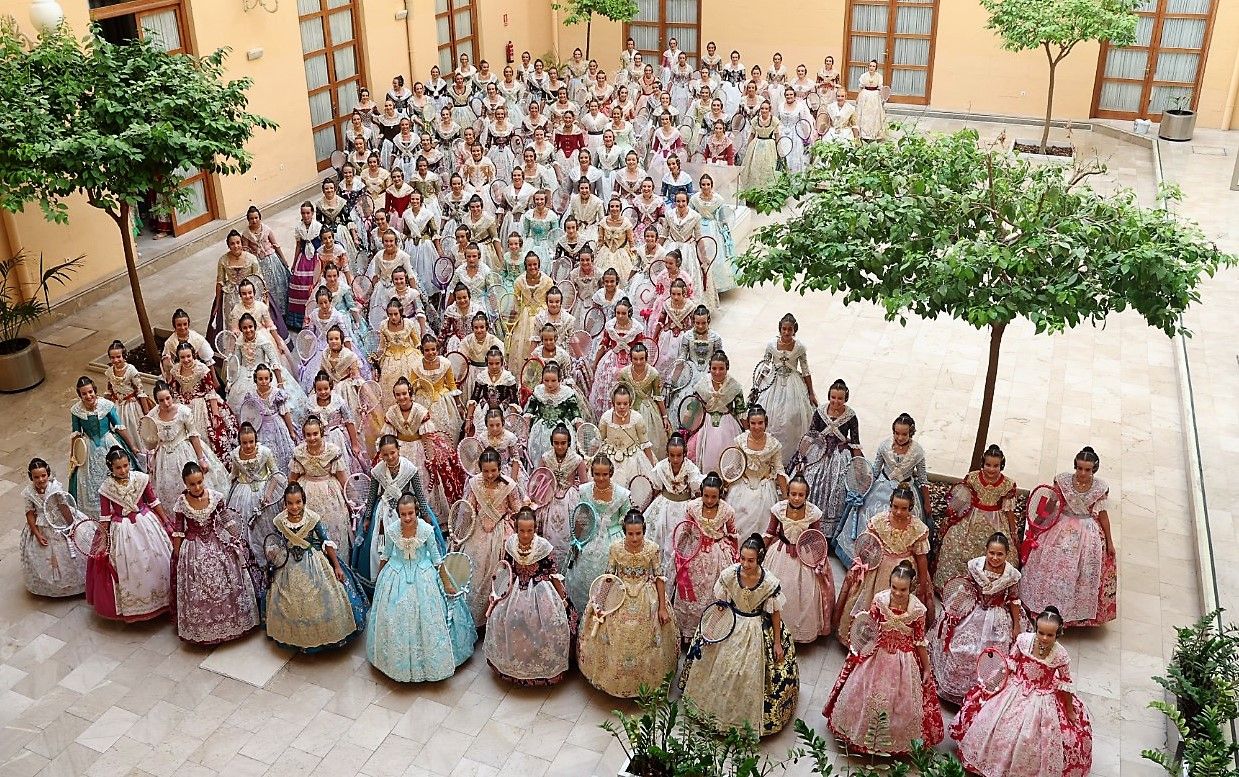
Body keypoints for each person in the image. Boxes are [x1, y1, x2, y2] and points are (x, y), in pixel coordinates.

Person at [680, 533, 799, 736]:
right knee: (720, 666)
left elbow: (775, 614)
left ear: (759, 558)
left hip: (756, 629)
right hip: (730, 621)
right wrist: (711, 629)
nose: (745, 564)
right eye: (742, 559)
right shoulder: (729, 575)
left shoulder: (769, 583)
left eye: (750, 560)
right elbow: (721, 606)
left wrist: (777, 643)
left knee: (745, 672)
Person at [951, 606, 1093, 775]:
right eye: (1041, 633)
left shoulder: (1060, 655)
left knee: (1033, 738)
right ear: (1035, 628)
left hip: (1042, 698)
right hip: (1015, 687)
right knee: (997, 723)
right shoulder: (1024, 641)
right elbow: (1010, 665)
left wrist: (1069, 711)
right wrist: (993, 684)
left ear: (1058, 633)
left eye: (1050, 635)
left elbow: (1065, 685)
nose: (1044, 638)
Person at [824, 561, 943, 755]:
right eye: (894, 587)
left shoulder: (918, 611)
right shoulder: (879, 600)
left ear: (911, 587)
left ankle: (891, 743)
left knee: (901, 704)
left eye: (902, 589)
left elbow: (920, 641)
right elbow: (868, 626)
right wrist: (859, 648)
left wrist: (927, 668)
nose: (897, 593)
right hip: (876, 656)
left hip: (904, 662)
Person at [366, 494, 473, 681]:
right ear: (398, 514)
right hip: (396, 575)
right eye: (403, 514)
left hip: (424, 577)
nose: (407, 518)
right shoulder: (392, 531)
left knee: (428, 619)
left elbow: (437, 560)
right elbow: (386, 555)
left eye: (410, 513)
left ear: (417, 512)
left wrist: (447, 583)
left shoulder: (427, 531)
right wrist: (381, 579)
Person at [578, 510, 679, 698]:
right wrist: (600, 603)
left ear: (644, 531)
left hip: (646, 596)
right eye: (630, 533)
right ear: (624, 532)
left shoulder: (652, 549)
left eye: (638, 533)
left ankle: (646, 683)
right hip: (620, 594)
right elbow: (609, 577)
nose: (634, 538)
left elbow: (659, 578)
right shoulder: (615, 548)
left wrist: (663, 608)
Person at [264, 483, 369, 653]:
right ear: (284, 503)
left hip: (314, 561)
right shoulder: (279, 521)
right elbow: (276, 542)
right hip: (288, 564)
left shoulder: (313, 518)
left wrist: (336, 566)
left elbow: (327, 543)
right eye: (290, 503)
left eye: (298, 502)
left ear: (304, 501)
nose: (294, 507)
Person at [1020, 446, 1117, 627]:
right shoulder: (1062, 481)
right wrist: (1037, 526)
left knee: (1080, 570)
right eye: (1079, 468)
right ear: (1075, 466)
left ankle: (1074, 615)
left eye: (1087, 469)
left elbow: (1103, 514)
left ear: (1094, 469)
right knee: (1051, 566)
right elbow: (1050, 504)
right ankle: (1041, 606)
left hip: (1086, 533)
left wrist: (1110, 541)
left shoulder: (1100, 488)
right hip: (1059, 526)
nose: (1082, 473)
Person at [484, 507, 578, 685]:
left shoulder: (543, 547)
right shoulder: (511, 544)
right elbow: (505, 569)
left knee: (548, 623)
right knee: (507, 619)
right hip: (514, 590)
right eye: (521, 530)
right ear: (516, 528)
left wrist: (563, 598)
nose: (525, 535)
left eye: (529, 530)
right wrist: (496, 592)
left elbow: (553, 573)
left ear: (535, 529)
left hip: (541, 592)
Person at [932, 531, 1028, 704]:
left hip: (997, 616)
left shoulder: (1011, 575)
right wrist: (954, 610)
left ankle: (985, 691)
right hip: (973, 611)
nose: (995, 557)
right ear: (986, 551)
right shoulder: (976, 567)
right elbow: (966, 588)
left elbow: (1014, 600)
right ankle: (957, 690)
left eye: (1000, 554)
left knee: (992, 655)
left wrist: (1016, 626)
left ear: (1007, 554)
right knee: (962, 648)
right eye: (992, 553)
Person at [171, 462, 261, 645]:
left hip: (217, 541)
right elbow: (179, 530)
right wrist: (178, 554)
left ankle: (233, 622)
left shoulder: (216, 498)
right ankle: (204, 629)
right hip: (193, 546)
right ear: (185, 484)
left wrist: (236, 539)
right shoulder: (181, 504)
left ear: (204, 479)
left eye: (199, 482)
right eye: (192, 484)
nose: (196, 487)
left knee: (227, 578)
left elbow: (225, 521)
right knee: (199, 586)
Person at [836, 484, 933, 645]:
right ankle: (864, 639)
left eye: (904, 508)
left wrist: (923, 583)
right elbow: (868, 544)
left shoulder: (917, 528)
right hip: (878, 568)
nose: (899, 512)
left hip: (904, 571)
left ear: (911, 508)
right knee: (870, 601)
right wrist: (861, 564)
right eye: (895, 507)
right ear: (890, 504)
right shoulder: (879, 521)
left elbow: (921, 557)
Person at [89, 446, 174, 622]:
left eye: (126, 465)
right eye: (118, 467)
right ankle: (138, 606)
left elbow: (153, 500)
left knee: (156, 560)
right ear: (110, 468)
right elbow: (105, 516)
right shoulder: (106, 489)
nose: (123, 470)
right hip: (123, 531)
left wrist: (165, 520)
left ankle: (162, 600)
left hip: (147, 525)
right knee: (131, 568)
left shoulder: (141, 479)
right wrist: (104, 541)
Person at [835, 413, 929, 568]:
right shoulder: (884, 446)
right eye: (897, 433)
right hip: (882, 488)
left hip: (905, 491)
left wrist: (927, 502)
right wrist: (863, 488)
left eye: (904, 434)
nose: (900, 437)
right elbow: (875, 470)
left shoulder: (917, 452)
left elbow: (923, 478)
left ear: (911, 433)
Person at [353, 434, 444, 588]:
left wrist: (426, 515)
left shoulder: (410, 469)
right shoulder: (377, 471)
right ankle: (383, 577)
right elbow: (372, 495)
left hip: (406, 510)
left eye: (392, 453)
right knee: (380, 545)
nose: (390, 457)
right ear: (380, 454)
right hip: (384, 513)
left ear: (398, 450)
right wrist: (368, 517)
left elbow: (419, 494)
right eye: (385, 454)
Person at [934, 444, 1019, 593]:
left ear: (1002, 465)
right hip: (970, 520)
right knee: (953, 546)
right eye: (988, 465)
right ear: (982, 464)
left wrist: (1013, 533)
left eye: (996, 466)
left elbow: (1009, 511)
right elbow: (960, 501)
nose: (991, 469)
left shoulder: (1007, 484)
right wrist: (950, 518)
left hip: (996, 521)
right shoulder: (972, 478)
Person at [763, 475, 834, 642]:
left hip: (805, 557)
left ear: (806, 495)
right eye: (793, 494)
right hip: (780, 554)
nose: (796, 498)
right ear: (787, 493)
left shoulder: (813, 513)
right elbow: (770, 531)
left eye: (800, 495)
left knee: (804, 593)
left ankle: (799, 631)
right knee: (780, 589)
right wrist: (759, 547)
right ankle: (775, 628)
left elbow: (818, 538)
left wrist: (819, 560)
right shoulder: (778, 509)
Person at [382, 378, 466, 519]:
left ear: (410, 393)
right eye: (398, 395)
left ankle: (424, 514)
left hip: (418, 448)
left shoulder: (420, 411)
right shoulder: (392, 412)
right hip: (399, 450)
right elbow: (389, 436)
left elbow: (427, 438)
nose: (402, 397)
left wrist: (430, 460)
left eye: (404, 394)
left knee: (423, 481)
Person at [789, 378, 862, 538]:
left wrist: (859, 468)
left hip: (839, 455)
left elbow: (855, 443)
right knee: (811, 477)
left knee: (837, 485)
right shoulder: (820, 412)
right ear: (829, 396)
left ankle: (830, 533)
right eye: (833, 397)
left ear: (845, 399)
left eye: (840, 398)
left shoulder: (851, 416)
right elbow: (810, 436)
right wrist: (801, 458)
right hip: (818, 451)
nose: (836, 401)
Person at [460, 447, 523, 625]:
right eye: (485, 471)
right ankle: (474, 617)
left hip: (501, 530)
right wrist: (462, 532)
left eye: (493, 470)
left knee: (500, 570)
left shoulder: (509, 485)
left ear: (500, 468)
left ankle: (497, 617)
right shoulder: (474, 484)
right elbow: (468, 508)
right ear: (480, 468)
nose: (489, 475)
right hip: (478, 530)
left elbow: (517, 509)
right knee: (475, 567)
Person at [145, 381, 229, 512]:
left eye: (168, 398)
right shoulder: (152, 416)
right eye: (161, 400)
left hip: (184, 450)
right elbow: (151, 440)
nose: (166, 403)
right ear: (157, 401)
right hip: (164, 457)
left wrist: (201, 459)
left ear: (172, 396)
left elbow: (193, 435)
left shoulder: (183, 412)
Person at [564, 455, 632, 608]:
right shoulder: (586, 490)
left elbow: (627, 519)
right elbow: (581, 517)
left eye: (605, 474)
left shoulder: (621, 494)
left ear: (611, 473)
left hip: (614, 539)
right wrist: (576, 541)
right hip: (589, 537)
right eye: (597, 474)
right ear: (592, 473)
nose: (601, 478)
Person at [69, 376, 142, 516]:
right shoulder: (76, 411)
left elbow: (119, 427)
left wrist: (132, 446)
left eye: (90, 392)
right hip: (89, 447)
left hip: (109, 442)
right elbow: (76, 434)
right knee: (89, 482)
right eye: (84, 393)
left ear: (95, 390)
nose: (88, 396)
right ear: (79, 395)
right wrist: (74, 456)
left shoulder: (106, 405)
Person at [753, 313, 817, 466]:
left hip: (793, 385)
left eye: (790, 329)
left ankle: (790, 457)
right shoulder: (770, 345)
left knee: (791, 419)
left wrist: (811, 392)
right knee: (770, 415)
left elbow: (806, 370)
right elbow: (764, 366)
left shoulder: (800, 347)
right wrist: (757, 387)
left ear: (794, 330)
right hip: (773, 382)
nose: (786, 332)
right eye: (784, 329)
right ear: (780, 329)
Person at [22, 458, 91, 597]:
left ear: (48, 474)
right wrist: (36, 533)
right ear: (31, 477)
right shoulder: (28, 493)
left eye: (43, 476)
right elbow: (30, 514)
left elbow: (63, 507)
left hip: (60, 520)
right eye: (36, 477)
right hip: (42, 524)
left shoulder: (55, 488)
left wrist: (72, 526)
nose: (41, 480)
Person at [646, 433, 704, 575]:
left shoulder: (690, 468)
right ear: (667, 454)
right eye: (672, 455)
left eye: (679, 455)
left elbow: (697, 488)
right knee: (660, 537)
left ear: (685, 454)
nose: (675, 459)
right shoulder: (660, 467)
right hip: (664, 507)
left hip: (684, 507)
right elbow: (656, 487)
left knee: (679, 542)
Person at [227, 422, 284, 562]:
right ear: (240, 442)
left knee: (266, 525)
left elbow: (275, 473)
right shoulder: (235, 455)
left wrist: (268, 494)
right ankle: (250, 559)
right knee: (246, 526)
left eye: (251, 442)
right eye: (244, 442)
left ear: (256, 440)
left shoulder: (265, 452)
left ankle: (271, 557)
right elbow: (234, 474)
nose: (248, 446)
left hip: (264, 490)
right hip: (242, 493)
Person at [729, 404, 788, 539]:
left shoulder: (774, 444)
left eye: (760, 423)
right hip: (742, 485)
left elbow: (779, 470)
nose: (757, 427)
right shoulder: (740, 441)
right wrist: (725, 484)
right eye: (753, 423)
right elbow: (734, 466)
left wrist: (785, 497)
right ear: (748, 424)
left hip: (764, 486)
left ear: (765, 422)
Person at [688, 349, 746, 476]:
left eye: (721, 368)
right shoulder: (702, 384)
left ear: (727, 368)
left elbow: (741, 411)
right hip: (706, 425)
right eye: (714, 368)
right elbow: (694, 407)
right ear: (709, 368)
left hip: (728, 426)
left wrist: (748, 432)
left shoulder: (734, 386)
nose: (717, 372)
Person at [589, 298, 644, 415]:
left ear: (629, 313)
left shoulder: (636, 328)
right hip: (611, 360)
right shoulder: (610, 326)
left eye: (623, 313)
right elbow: (603, 345)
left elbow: (641, 348)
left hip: (631, 361)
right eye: (618, 313)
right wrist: (595, 363)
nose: (620, 316)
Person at [238, 364, 298, 474]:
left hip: (276, 426)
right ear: (255, 379)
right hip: (259, 426)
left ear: (270, 378)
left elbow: (285, 412)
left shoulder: (276, 393)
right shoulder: (251, 394)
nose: (264, 381)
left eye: (266, 378)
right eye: (260, 379)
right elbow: (248, 413)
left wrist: (291, 431)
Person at [241, 206, 292, 331]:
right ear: (248, 220)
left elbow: (276, 245)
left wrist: (284, 260)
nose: (254, 221)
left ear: (260, 218)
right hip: (258, 263)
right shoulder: (246, 234)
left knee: (279, 286)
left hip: (272, 260)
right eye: (251, 218)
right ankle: (270, 316)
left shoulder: (267, 229)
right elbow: (245, 252)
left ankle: (284, 316)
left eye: (256, 218)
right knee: (265, 290)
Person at [617, 342, 670, 461]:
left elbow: (657, 396)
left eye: (642, 359)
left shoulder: (653, 373)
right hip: (628, 409)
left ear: (646, 358)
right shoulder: (624, 373)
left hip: (648, 410)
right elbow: (619, 395)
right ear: (630, 358)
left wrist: (665, 416)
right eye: (635, 359)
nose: (639, 362)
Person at [103, 341, 152, 457]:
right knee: (117, 428)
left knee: (134, 428)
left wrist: (146, 413)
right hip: (117, 405)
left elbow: (140, 391)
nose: (116, 360)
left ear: (124, 356)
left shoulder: (131, 370)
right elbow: (109, 389)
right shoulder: (110, 372)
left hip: (131, 406)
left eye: (118, 357)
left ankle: (140, 453)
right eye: (112, 357)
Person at [856, 59, 887, 141]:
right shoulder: (863, 76)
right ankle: (863, 133)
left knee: (874, 114)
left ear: (876, 68)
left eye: (873, 66)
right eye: (870, 66)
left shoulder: (879, 76)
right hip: (865, 95)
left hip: (875, 95)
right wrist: (858, 96)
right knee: (864, 114)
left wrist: (882, 98)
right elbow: (860, 87)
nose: (871, 68)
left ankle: (873, 133)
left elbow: (880, 88)